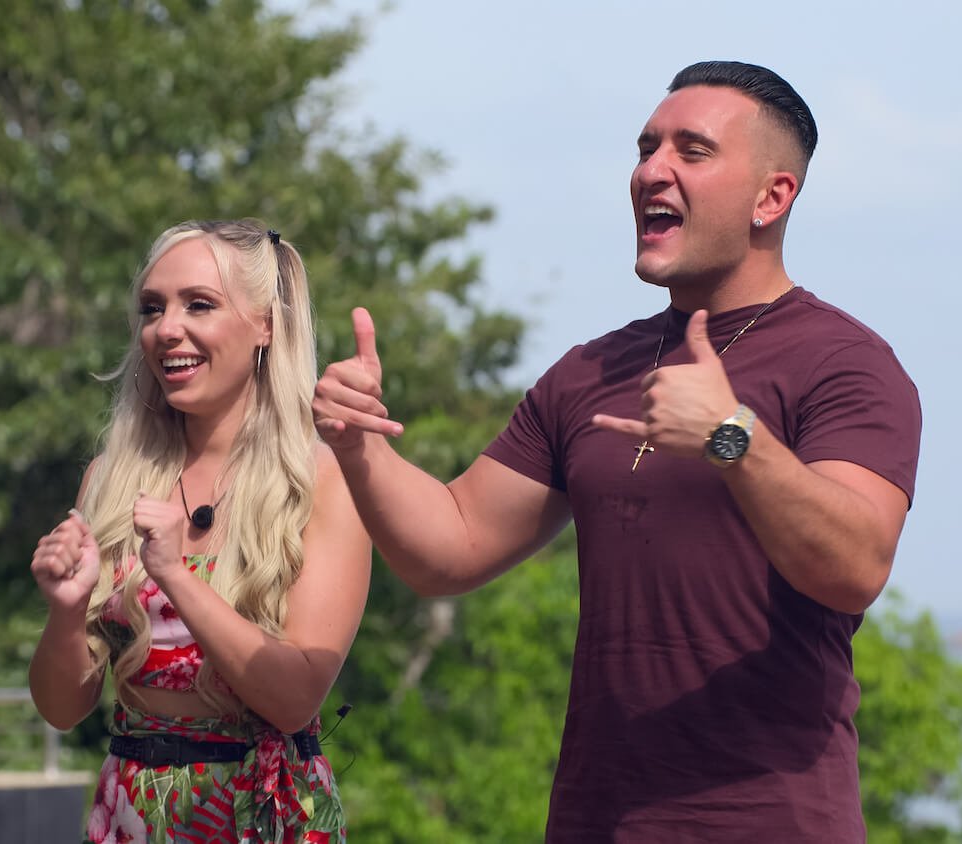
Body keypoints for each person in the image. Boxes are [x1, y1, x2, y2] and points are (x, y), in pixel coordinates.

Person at [311, 61, 922, 841]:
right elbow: (450, 548)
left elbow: (856, 567)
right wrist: (361, 447)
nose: (650, 171)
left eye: (691, 150)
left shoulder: (845, 362)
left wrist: (730, 437)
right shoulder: (589, 371)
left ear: (772, 197)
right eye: (645, 147)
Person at [29, 219, 370, 844]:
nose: (166, 329)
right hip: (130, 808)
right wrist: (66, 611)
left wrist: (174, 576)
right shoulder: (110, 480)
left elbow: (294, 699)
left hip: (261, 813)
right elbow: (59, 709)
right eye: (152, 308)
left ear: (266, 324)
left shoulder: (324, 482)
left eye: (200, 305)